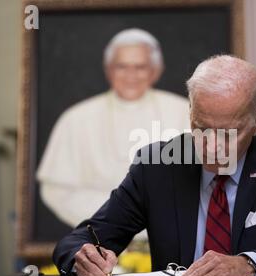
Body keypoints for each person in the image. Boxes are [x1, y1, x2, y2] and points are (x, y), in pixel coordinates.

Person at [53, 55, 256, 276]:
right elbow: (81, 239)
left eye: (229, 133)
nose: (212, 146)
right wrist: (83, 257)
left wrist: (247, 264)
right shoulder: (157, 166)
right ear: (191, 112)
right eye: (201, 129)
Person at [37, 29, 189, 227]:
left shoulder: (184, 111)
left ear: (155, 71)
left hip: (169, 233)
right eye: (121, 67)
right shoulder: (76, 118)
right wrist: (112, 219)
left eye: (140, 67)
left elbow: (199, 182)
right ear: (108, 70)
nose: (131, 75)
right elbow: (57, 190)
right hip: (95, 235)